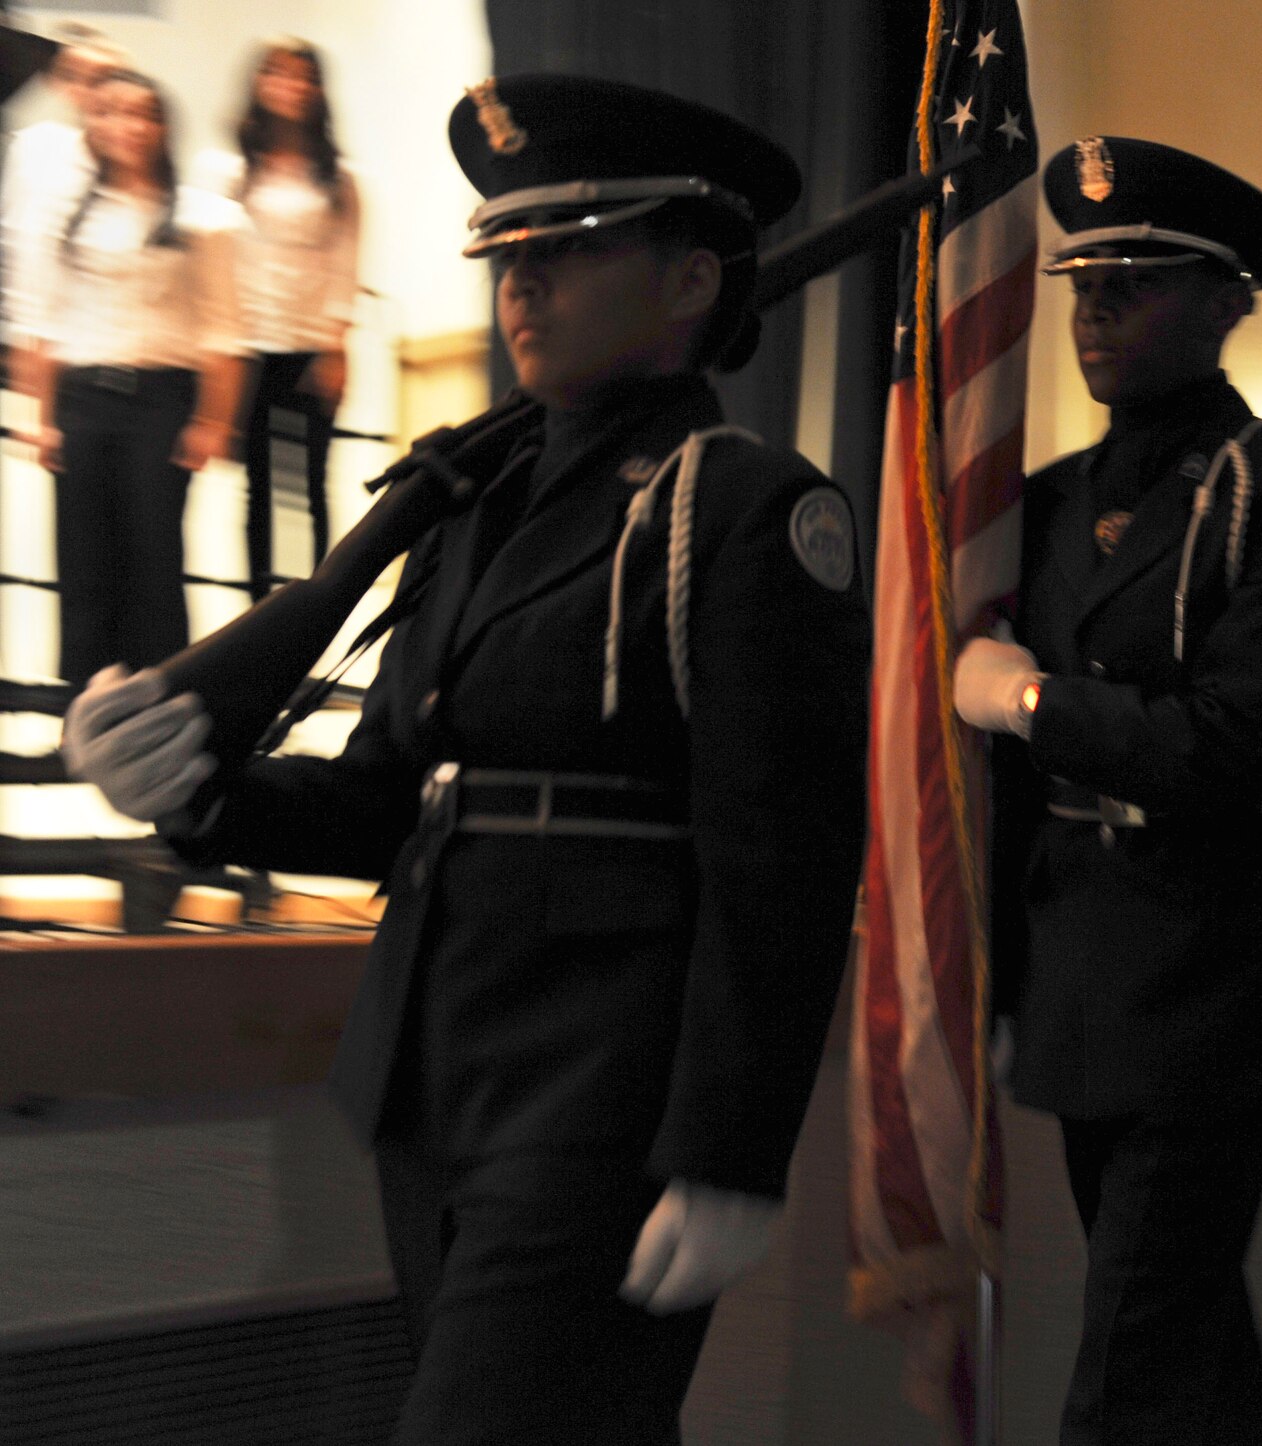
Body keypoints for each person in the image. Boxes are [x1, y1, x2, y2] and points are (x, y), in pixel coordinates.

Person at [58, 74, 870, 1444]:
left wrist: (735, 1151)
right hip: (435, 1068)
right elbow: (391, 797)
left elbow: (781, 862)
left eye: (570, 248)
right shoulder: (465, 508)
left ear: (688, 281)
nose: (525, 285)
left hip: (603, 1090)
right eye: (508, 253)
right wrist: (204, 795)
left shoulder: (740, 507)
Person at [954, 136, 1262, 1446]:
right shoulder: (1042, 502)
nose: (1093, 313)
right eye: (1082, 285)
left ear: (1227, 301)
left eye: (1131, 285)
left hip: (1215, 963)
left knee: (1133, 1356)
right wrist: (983, 965)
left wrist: (1032, 702)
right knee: (1181, 1328)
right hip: (1084, 958)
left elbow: (1228, 747)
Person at [14, 68, 244, 684]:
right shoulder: (65, 218)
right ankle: (86, 703)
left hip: (163, 398)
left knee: (154, 556)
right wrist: (40, 422)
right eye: (109, 113)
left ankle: (157, 699)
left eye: (141, 114)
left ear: (163, 126)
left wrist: (212, 420)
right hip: (83, 397)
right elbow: (43, 322)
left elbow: (223, 330)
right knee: (82, 557)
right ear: (92, 124)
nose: (125, 127)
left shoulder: (202, 217)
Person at [195, 36, 361, 597]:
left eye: (303, 76)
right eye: (277, 74)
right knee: (258, 490)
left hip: (312, 346)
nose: (290, 86)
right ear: (258, 83)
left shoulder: (340, 180)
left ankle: (305, 616)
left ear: (317, 91)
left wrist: (336, 346)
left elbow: (345, 267)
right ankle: (257, 612)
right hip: (247, 348)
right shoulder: (225, 170)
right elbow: (216, 269)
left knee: (310, 488)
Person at [0, 23, 127, 350]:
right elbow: (17, 242)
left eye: (103, 77)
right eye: (73, 75)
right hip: (30, 334)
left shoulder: (136, 160)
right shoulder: (31, 147)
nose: (89, 90)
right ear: (57, 84)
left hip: (102, 338)